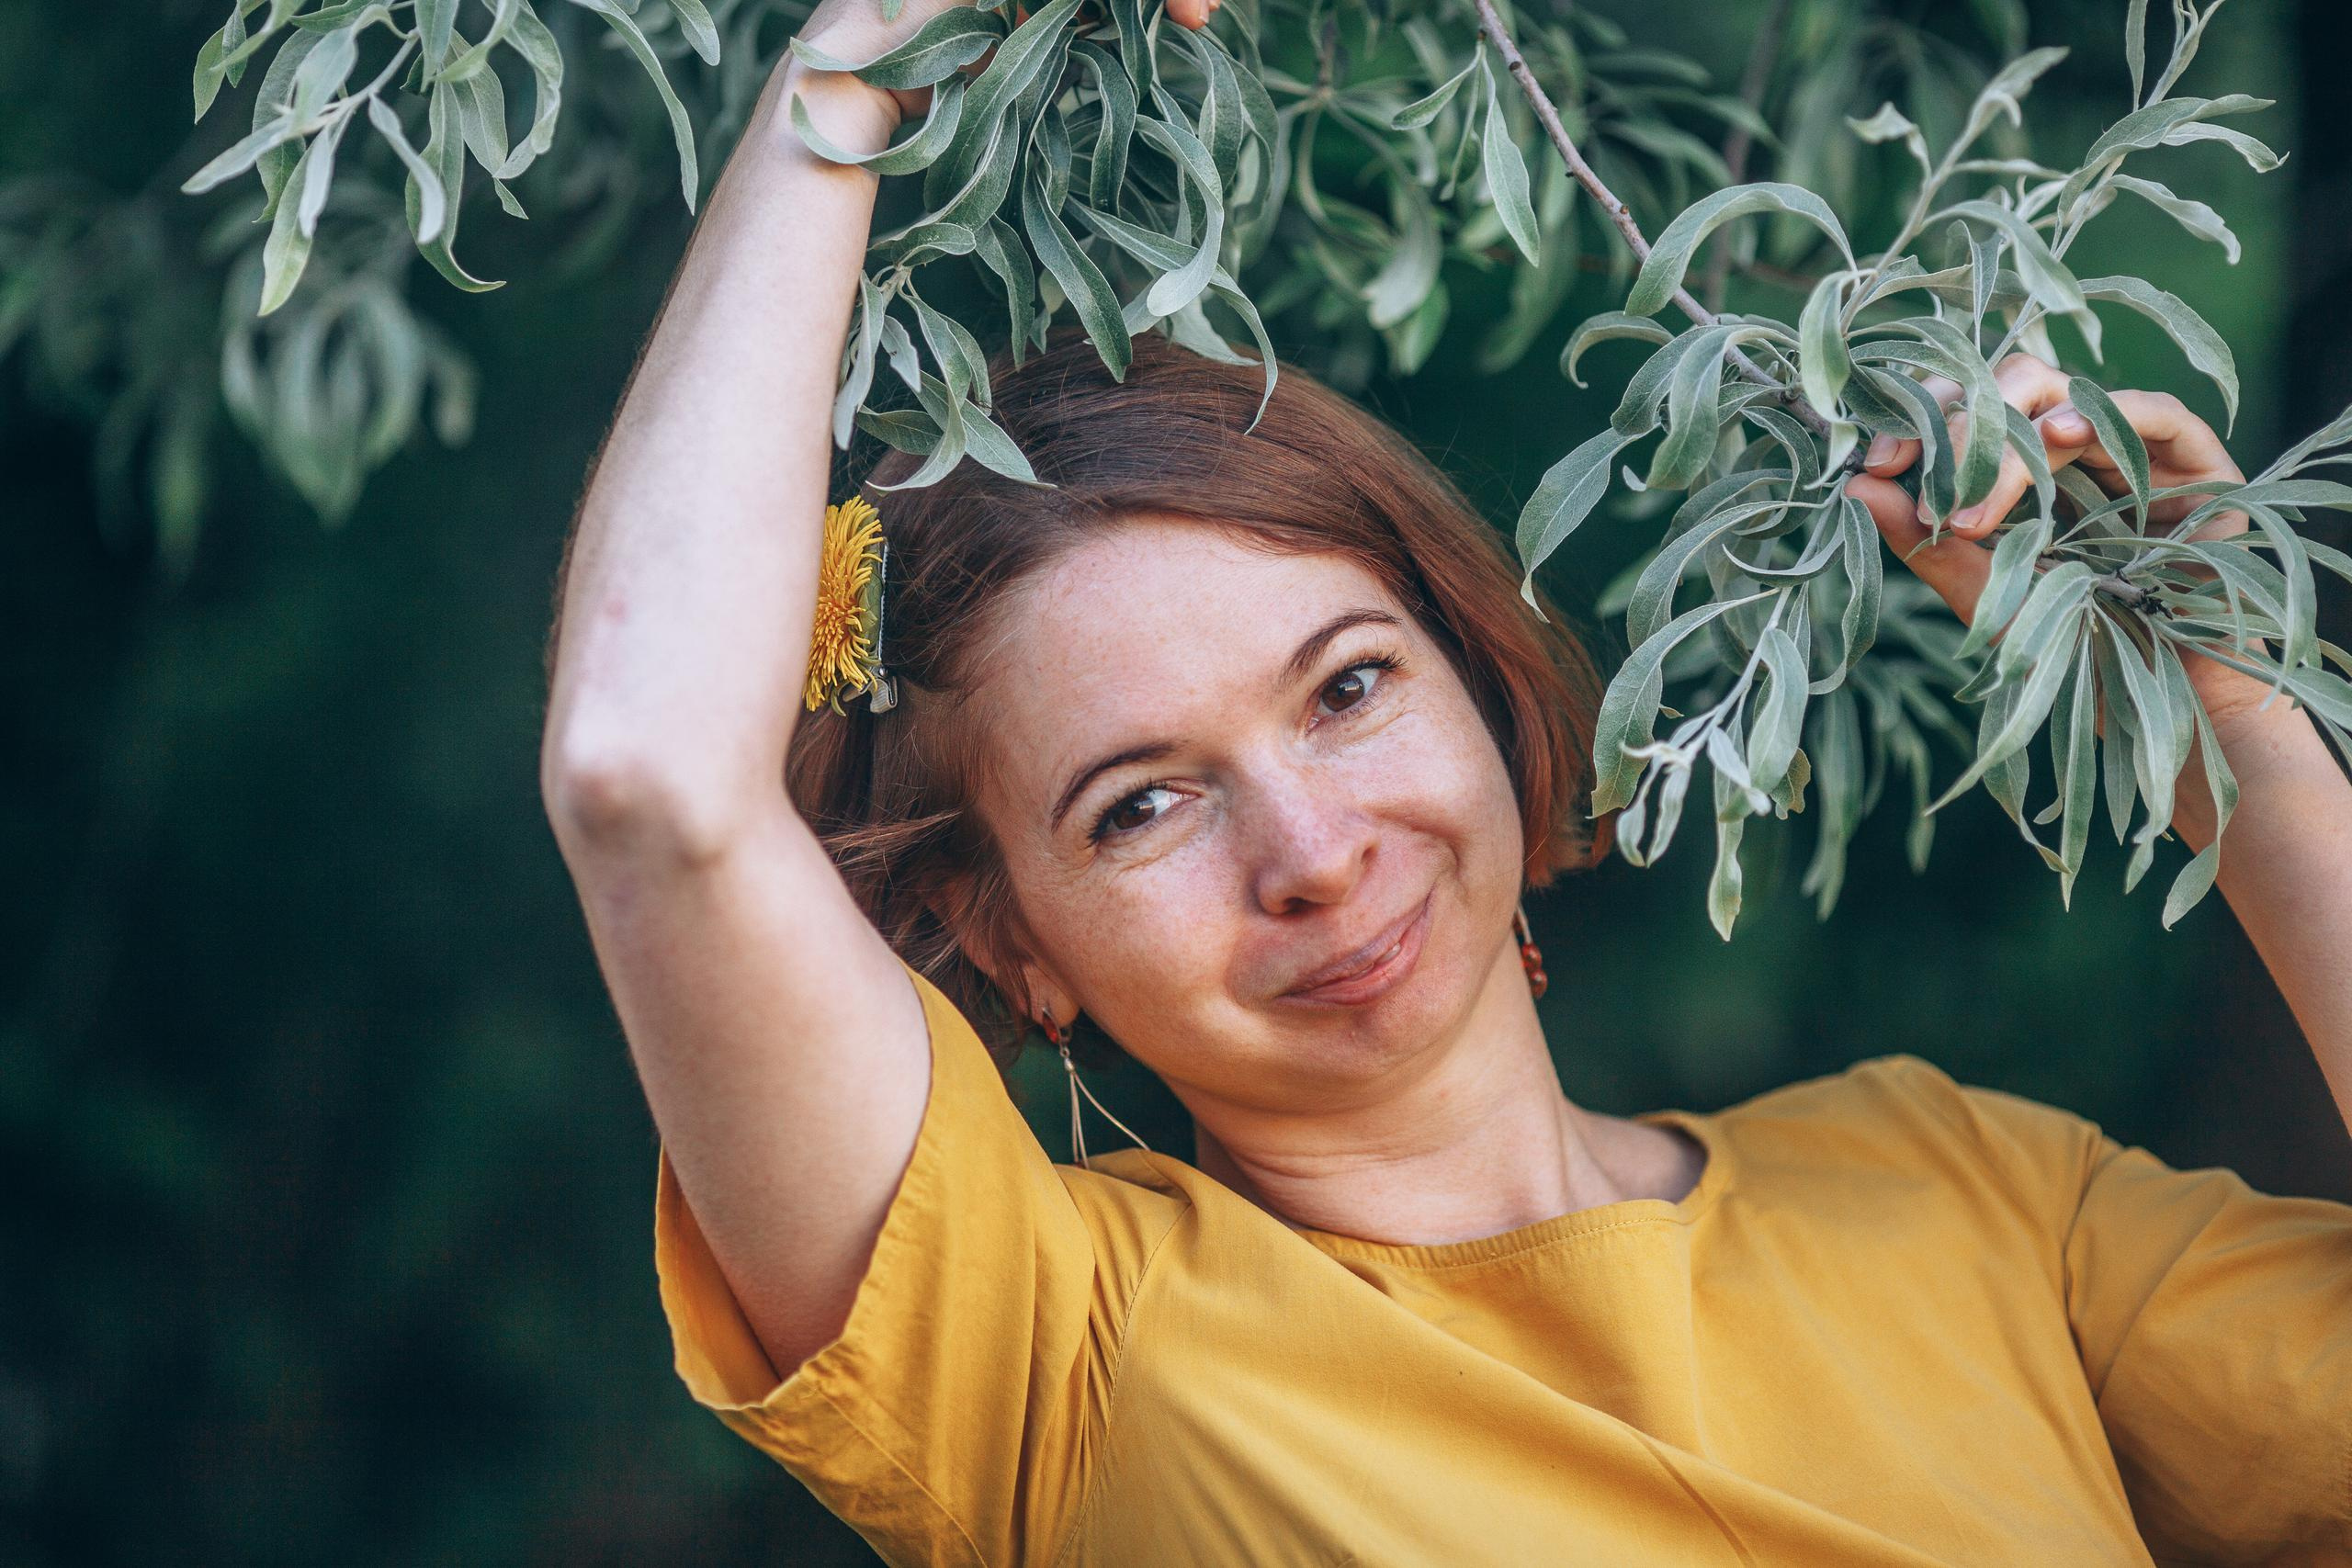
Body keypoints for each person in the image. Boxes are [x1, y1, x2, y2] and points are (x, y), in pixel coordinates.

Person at [538, 2, 2352, 1562]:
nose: (1313, 852)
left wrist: (2216, 711)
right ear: (1005, 940)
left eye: (1343, 686)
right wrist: (847, 77)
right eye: (1137, 804)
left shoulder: (1958, 1187)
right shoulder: (1050, 1357)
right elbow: (648, 775)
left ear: (1478, 673)